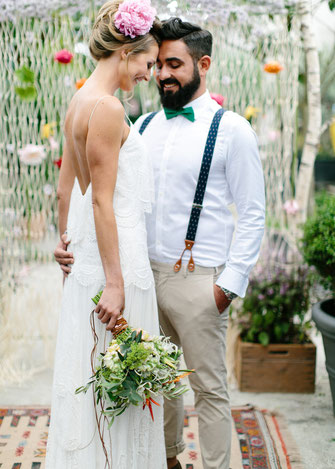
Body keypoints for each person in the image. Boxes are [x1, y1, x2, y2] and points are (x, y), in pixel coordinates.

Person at [55, 17, 266, 469]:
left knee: (208, 389)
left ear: (203, 64)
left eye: (174, 64)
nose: (162, 74)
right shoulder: (142, 124)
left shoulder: (232, 131)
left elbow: (252, 215)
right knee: (158, 385)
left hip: (199, 280)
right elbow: (101, 192)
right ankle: (167, 461)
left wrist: (228, 286)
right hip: (142, 276)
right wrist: (72, 241)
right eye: (158, 63)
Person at [46, 1, 167, 468]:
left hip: (89, 261)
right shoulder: (109, 108)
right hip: (116, 264)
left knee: (97, 375)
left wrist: (64, 242)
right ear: (124, 51)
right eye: (146, 62)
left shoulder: (80, 99)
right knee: (122, 388)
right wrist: (115, 284)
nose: (149, 73)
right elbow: (100, 199)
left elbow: (65, 187)